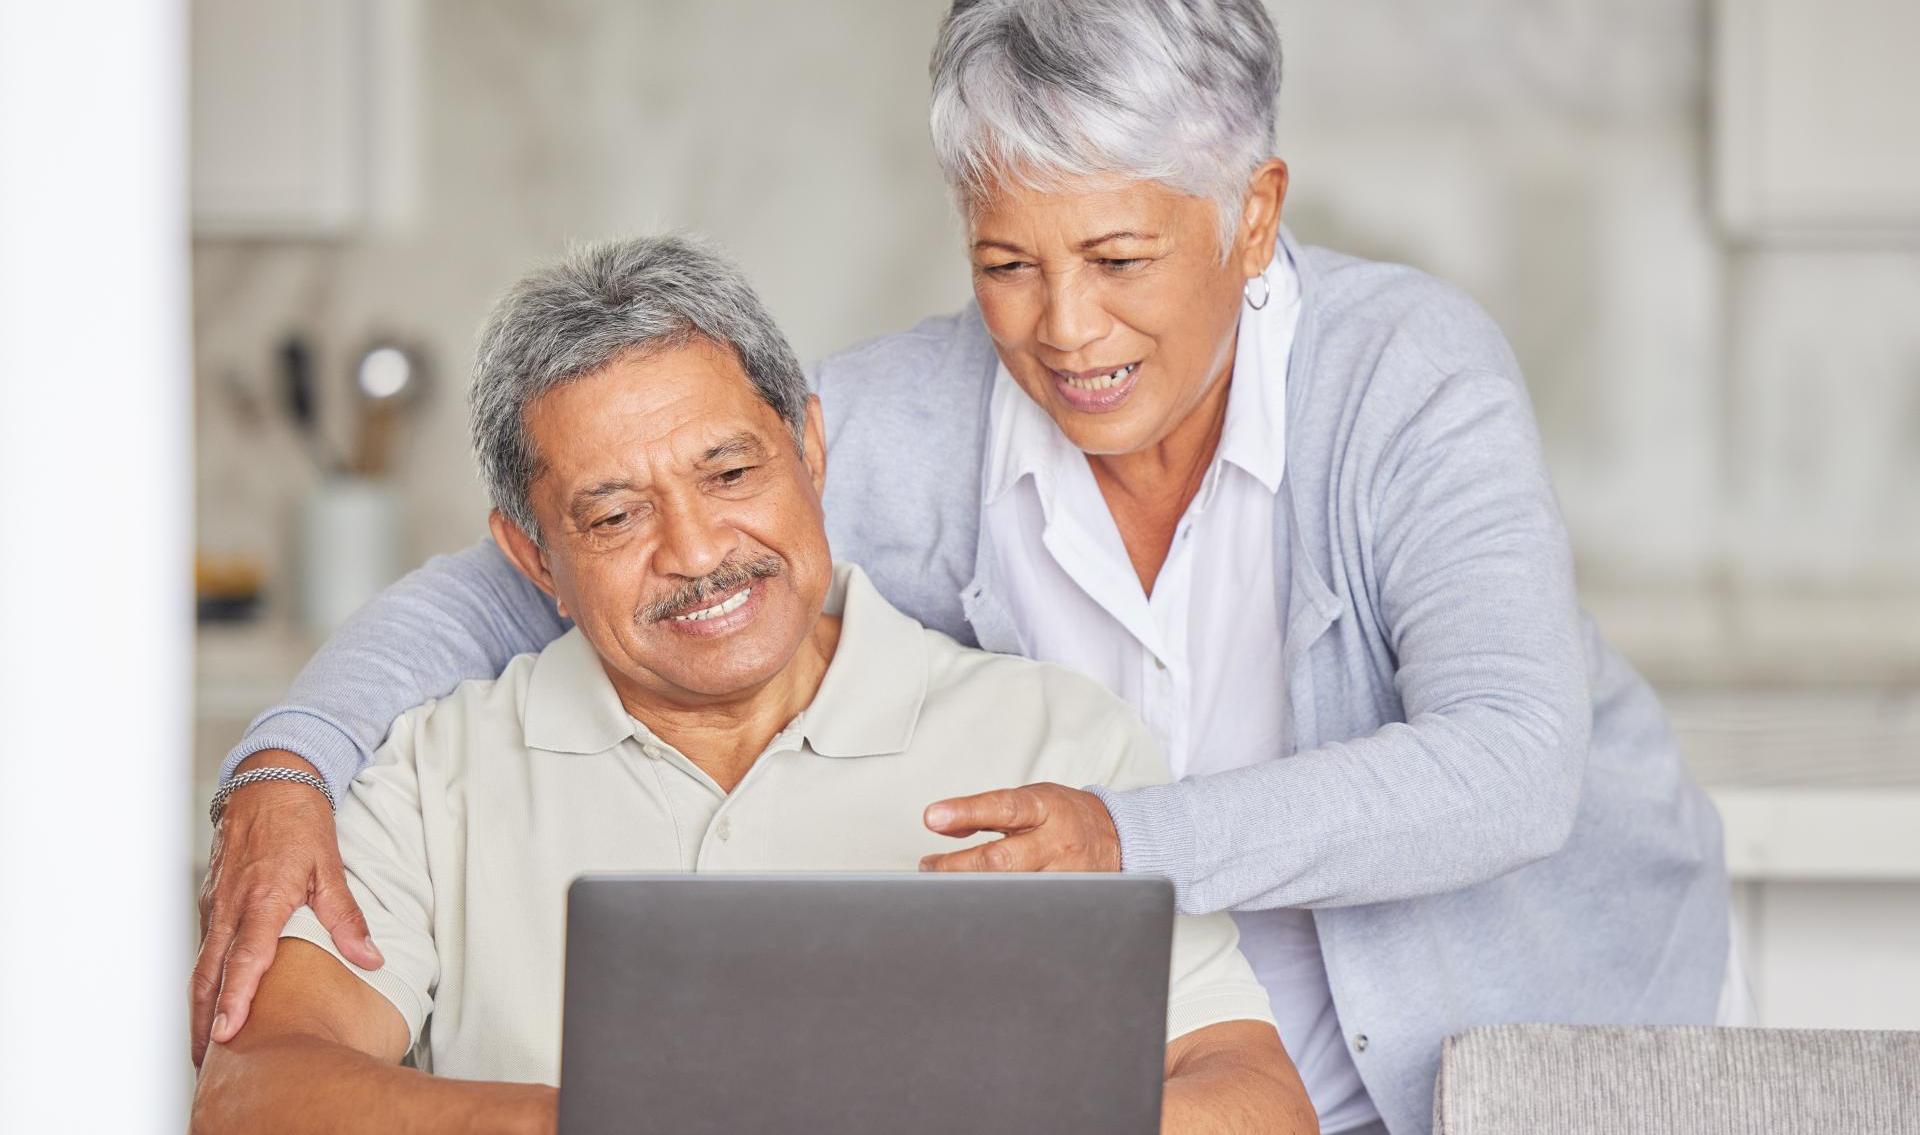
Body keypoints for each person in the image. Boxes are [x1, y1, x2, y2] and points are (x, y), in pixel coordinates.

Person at [192, 3, 1734, 1133]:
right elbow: (548, 567)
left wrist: (1119, 845)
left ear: (1252, 216)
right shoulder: (911, 418)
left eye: (1119, 257)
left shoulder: (1405, 379)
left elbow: (1512, 768)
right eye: (1008, 262)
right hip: (1205, 1052)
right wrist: (289, 759)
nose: (1064, 330)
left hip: (1514, 1035)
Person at [189, 236, 1314, 1135]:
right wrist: (594, 1124)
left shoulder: (1050, 737)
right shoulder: (433, 770)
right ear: (535, 557)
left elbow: (1257, 1099)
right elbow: (254, 1096)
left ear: (811, 453)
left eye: (730, 473)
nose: (695, 548)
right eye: (616, 513)